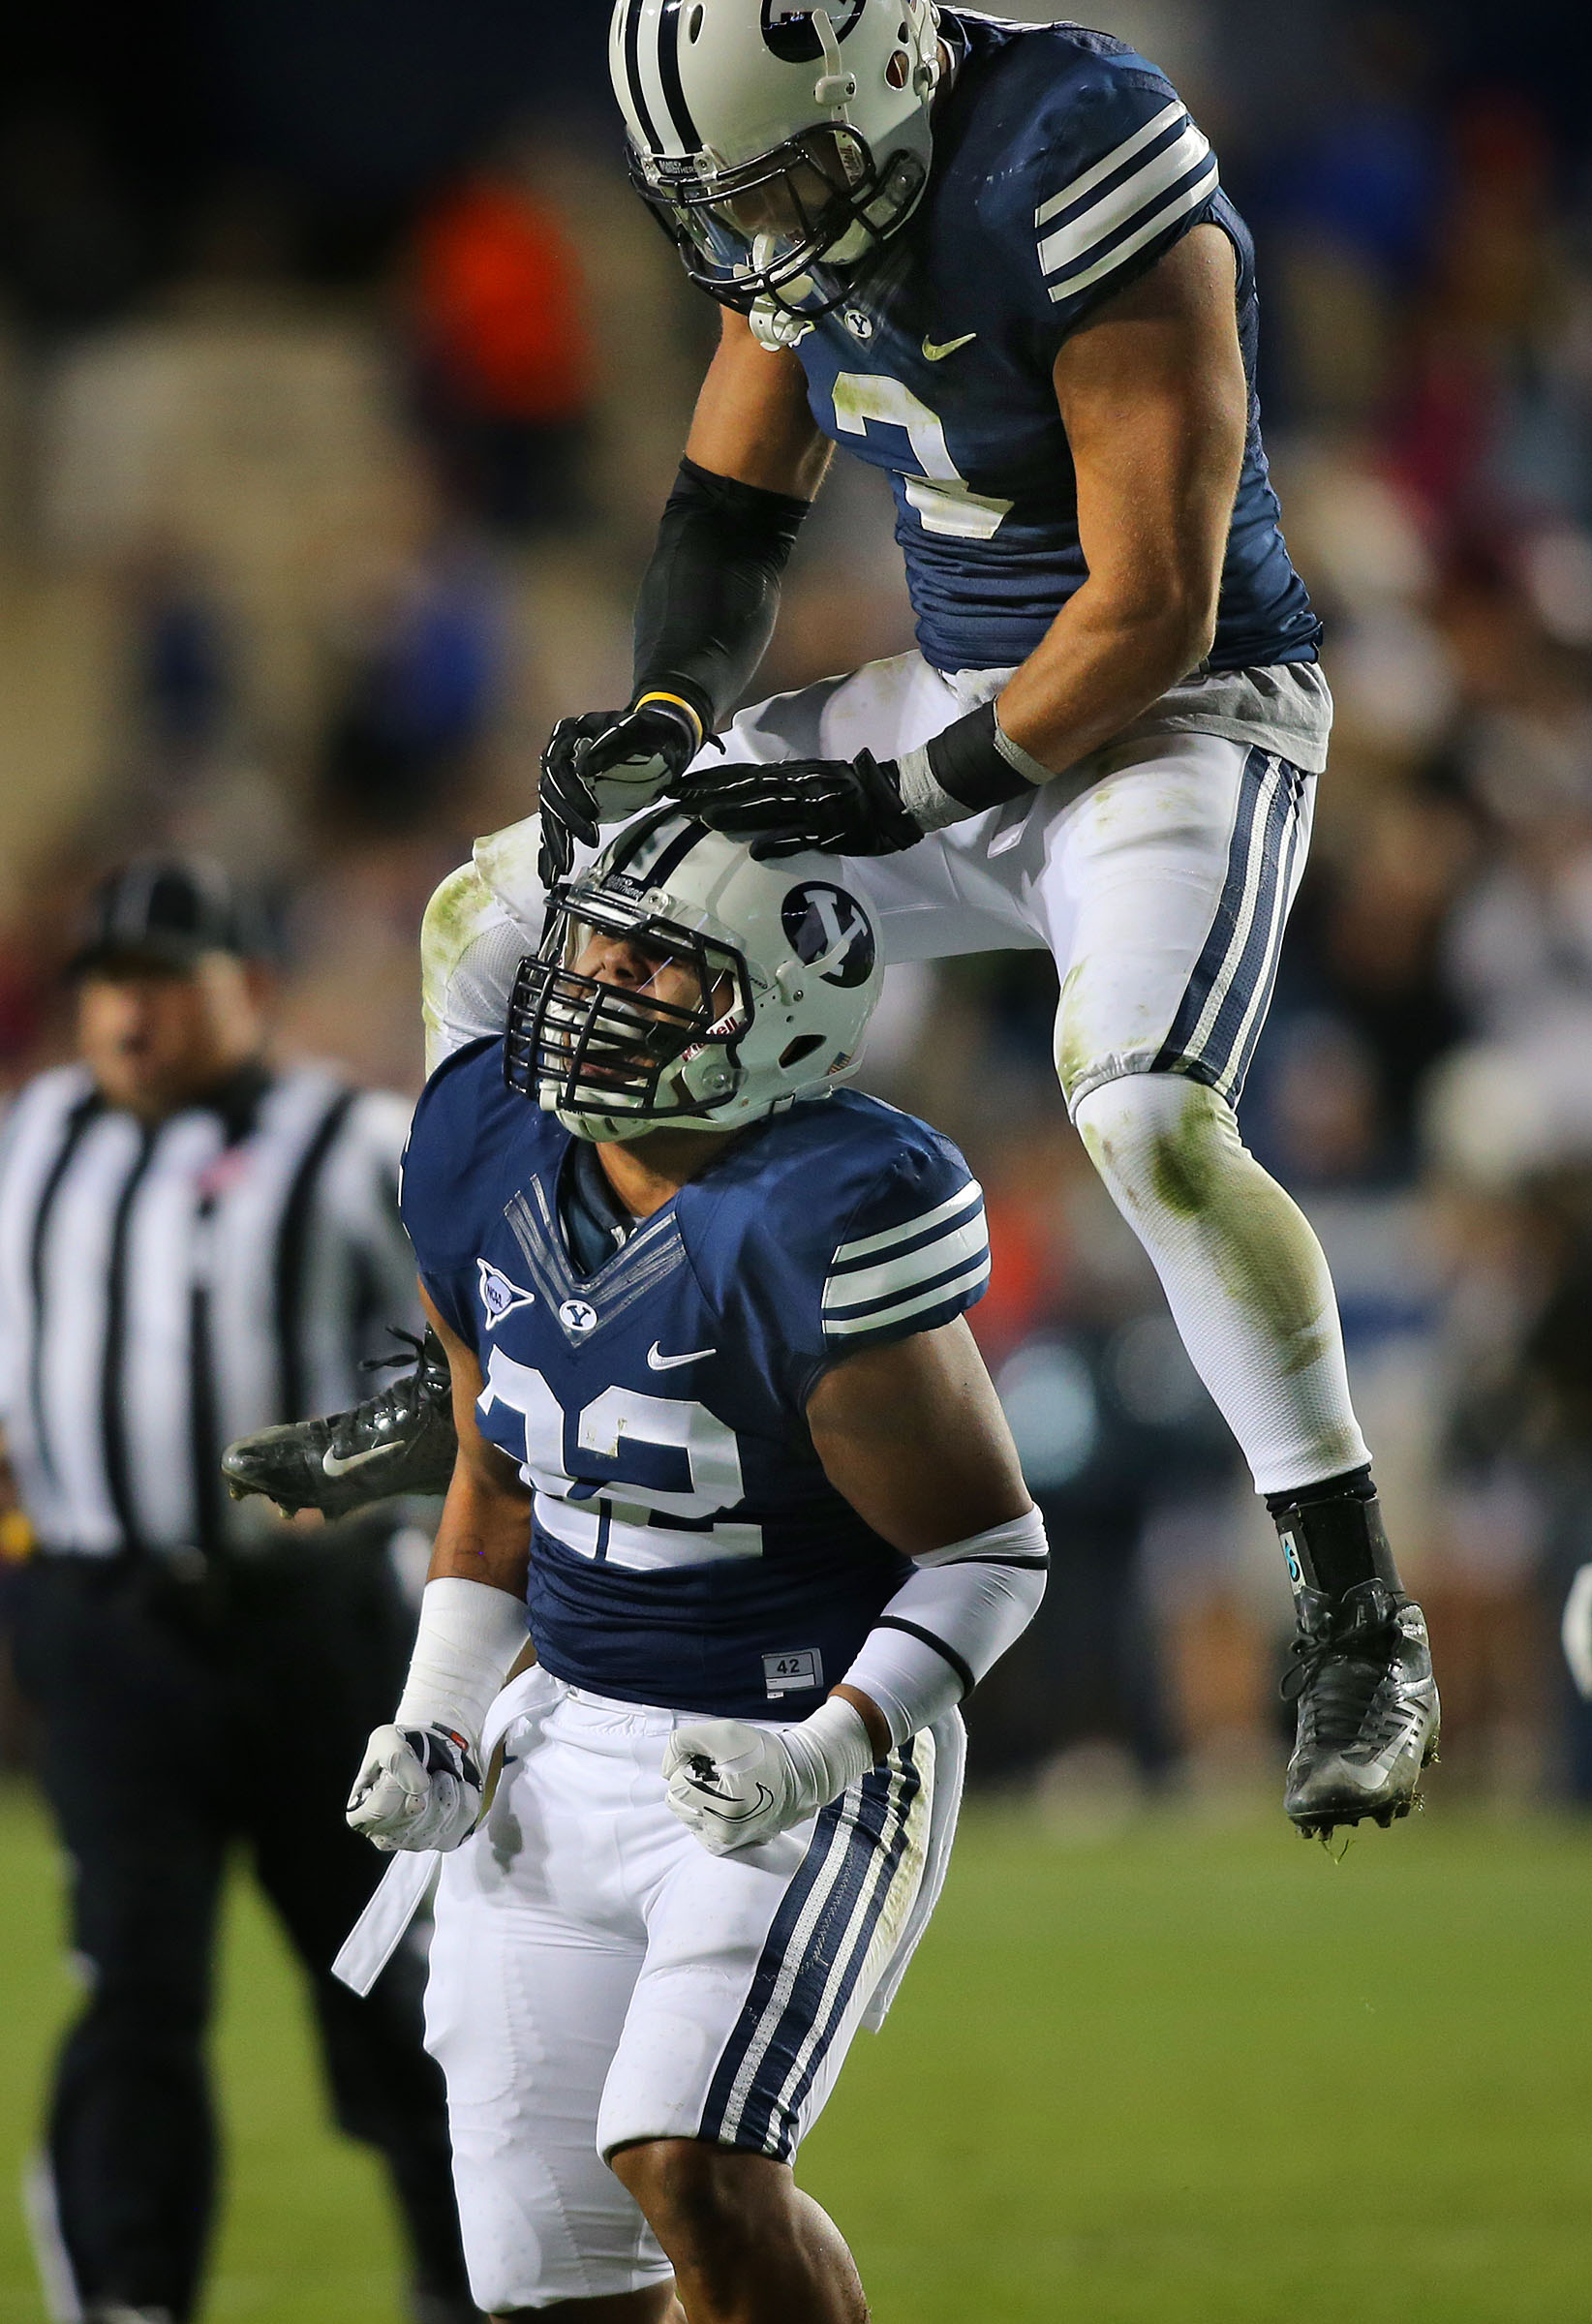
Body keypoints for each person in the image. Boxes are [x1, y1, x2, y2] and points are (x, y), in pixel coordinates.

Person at [228, 0, 1438, 1841]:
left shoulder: (1076, 149)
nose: (764, 235)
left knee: (1144, 1117)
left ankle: (1355, 1604)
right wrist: (660, 725)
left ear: (881, 84)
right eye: (730, 200)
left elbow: (1159, 602)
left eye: (784, 185)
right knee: (494, 917)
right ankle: (479, 1370)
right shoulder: (799, 185)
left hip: (1174, 720)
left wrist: (900, 796)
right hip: (961, 693)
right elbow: (726, 517)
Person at [332, 813, 1046, 2321]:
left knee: (697, 2166)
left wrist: (822, 1750)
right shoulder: (482, 1146)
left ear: (779, 1015)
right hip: (564, 1736)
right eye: (600, 938)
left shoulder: (822, 1213)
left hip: (791, 1738)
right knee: (555, 2284)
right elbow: (493, 1474)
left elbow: (989, 1550)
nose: (598, 977)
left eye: (663, 961)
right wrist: (444, 1716)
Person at [0, 859, 479, 2324]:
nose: (128, 1020)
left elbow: (482, 1366)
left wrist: (344, 1460)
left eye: (165, 985)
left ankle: (478, 2291)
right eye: (108, 987)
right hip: (104, 1627)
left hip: (314, 1633)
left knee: (392, 1997)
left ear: (250, 992)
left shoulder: (353, 1144)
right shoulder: (32, 1136)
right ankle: (130, 2299)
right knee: (133, 1992)